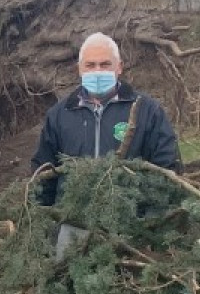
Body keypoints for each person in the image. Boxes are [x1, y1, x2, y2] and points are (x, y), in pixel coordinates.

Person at [31, 31, 183, 251]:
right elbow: (43, 174)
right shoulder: (60, 115)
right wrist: (42, 227)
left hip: (132, 226)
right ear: (80, 69)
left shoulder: (147, 111)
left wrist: (152, 224)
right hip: (73, 226)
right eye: (90, 65)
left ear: (119, 67)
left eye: (105, 64)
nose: (97, 71)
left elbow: (167, 168)